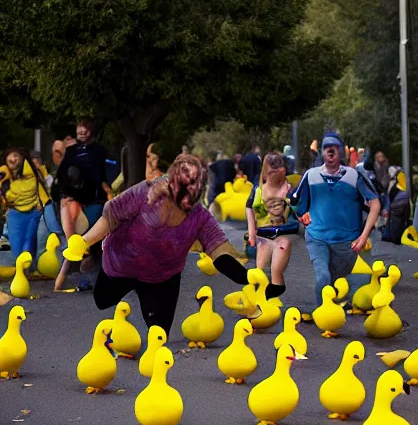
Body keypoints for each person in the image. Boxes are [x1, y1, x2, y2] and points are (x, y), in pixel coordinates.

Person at [62, 154, 257, 336]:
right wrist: (85, 241)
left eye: (193, 185)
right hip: (123, 263)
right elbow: (111, 215)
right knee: (102, 300)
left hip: (162, 276)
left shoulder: (200, 217)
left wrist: (246, 278)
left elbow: (219, 253)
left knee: (159, 333)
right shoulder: (145, 192)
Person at [290, 133, 380, 306]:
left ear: (341, 153)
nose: (330, 151)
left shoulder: (354, 176)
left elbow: (375, 203)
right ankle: (323, 315)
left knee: (336, 282)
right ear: (323, 152)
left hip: (347, 242)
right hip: (317, 238)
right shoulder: (311, 175)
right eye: (326, 147)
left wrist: (364, 236)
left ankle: (332, 313)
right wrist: (301, 216)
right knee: (323, 276)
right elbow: (295, 202)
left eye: (334, 147)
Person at [53, 119, 112, 290]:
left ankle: (89, 277)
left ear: (91, 132)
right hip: (74, 200)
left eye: (84, 131)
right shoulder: (71, 152)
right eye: (79, 132)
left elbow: (107, 172)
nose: (81, 134)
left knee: (91, 240)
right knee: (75, 240)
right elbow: (62, 175)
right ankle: (68, 278)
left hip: (95, 200)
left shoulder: (101, 151)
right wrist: (63, 195)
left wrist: (107, 189)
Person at [246, 153, 299, 298]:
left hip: (283, 235)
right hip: (263, 236)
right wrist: (251, 232)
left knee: (276, 271)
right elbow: (249, 207)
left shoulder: (289, 189)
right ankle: (261, 300)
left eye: (276, 172)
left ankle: (271, 297)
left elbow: (299, 209)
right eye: (270, 173)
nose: (272, 176)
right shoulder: (258, 189)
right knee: (259, 273)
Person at [0, 147, 50, 262]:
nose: (14, 158)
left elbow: (42, 189)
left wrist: (41, 204)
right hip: (14, 214)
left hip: (33, 212)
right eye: (11, 155)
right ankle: (23, 270)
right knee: (17, 247)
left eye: (17, 155)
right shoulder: (4, 173)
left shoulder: (32, 173)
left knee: (29, 241)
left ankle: (29, 269)